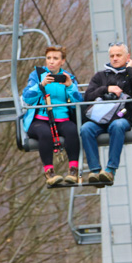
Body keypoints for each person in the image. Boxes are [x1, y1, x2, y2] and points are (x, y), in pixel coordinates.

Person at [80, 43, 132, 186]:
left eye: (118, 55)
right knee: (86, 129)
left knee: (117, 126)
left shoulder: (131, 75)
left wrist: (130, 70)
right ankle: (95, 171)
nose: (115, 58)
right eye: (112, 56)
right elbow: (88, 96)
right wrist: (106, 89)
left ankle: (110, 170)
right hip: (100, 119)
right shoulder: (100, 76)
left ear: (127, 57)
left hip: (122, 117)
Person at [22, 45, 83, 185]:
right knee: (45, 134)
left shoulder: (69, 78)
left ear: (62, 61)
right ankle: (49, 172)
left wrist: (69, 86)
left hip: (62, 119)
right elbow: (27, 98)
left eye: (55, 58)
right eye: (48, 58)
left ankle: (73, 169)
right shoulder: (37, 76)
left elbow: (78, 102)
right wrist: (41, 86)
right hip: (40, 120)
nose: (51, 61)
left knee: (72, 130)